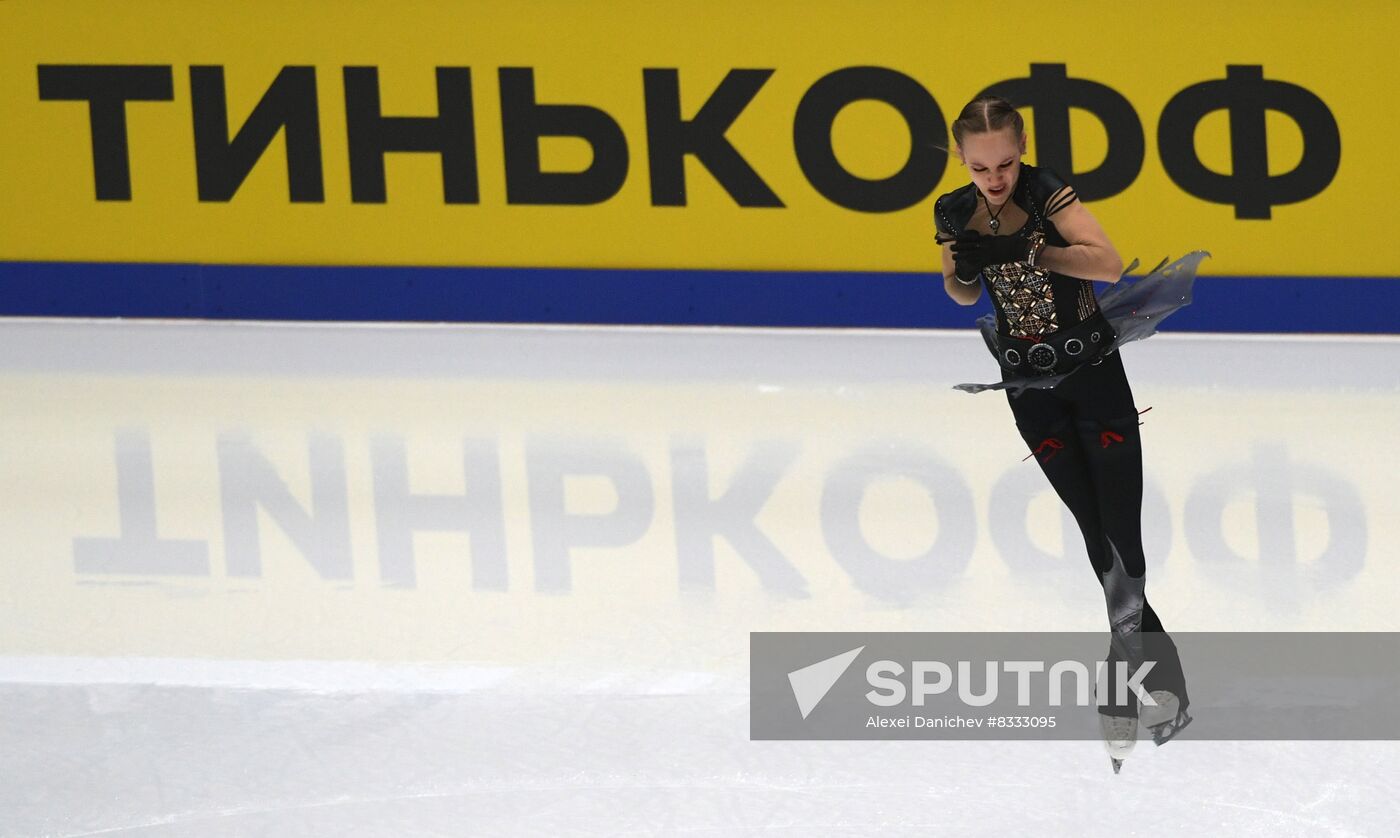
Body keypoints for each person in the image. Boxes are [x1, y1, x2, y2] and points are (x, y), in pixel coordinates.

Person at [933, 95, 1195, 770]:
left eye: (1007, 162)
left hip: (1094, 374)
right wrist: (965, 266)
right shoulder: (952, 210)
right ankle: (1159, 679)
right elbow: (963, 294)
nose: (995, 177)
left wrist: (1031, 249)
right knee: (1093, 534)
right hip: (1027, 388)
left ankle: (1127, 685)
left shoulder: (1049, 194)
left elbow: (1107, 265)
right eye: (980, 165)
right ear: (961, 160)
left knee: (1122, 537)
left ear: (1023, 150)